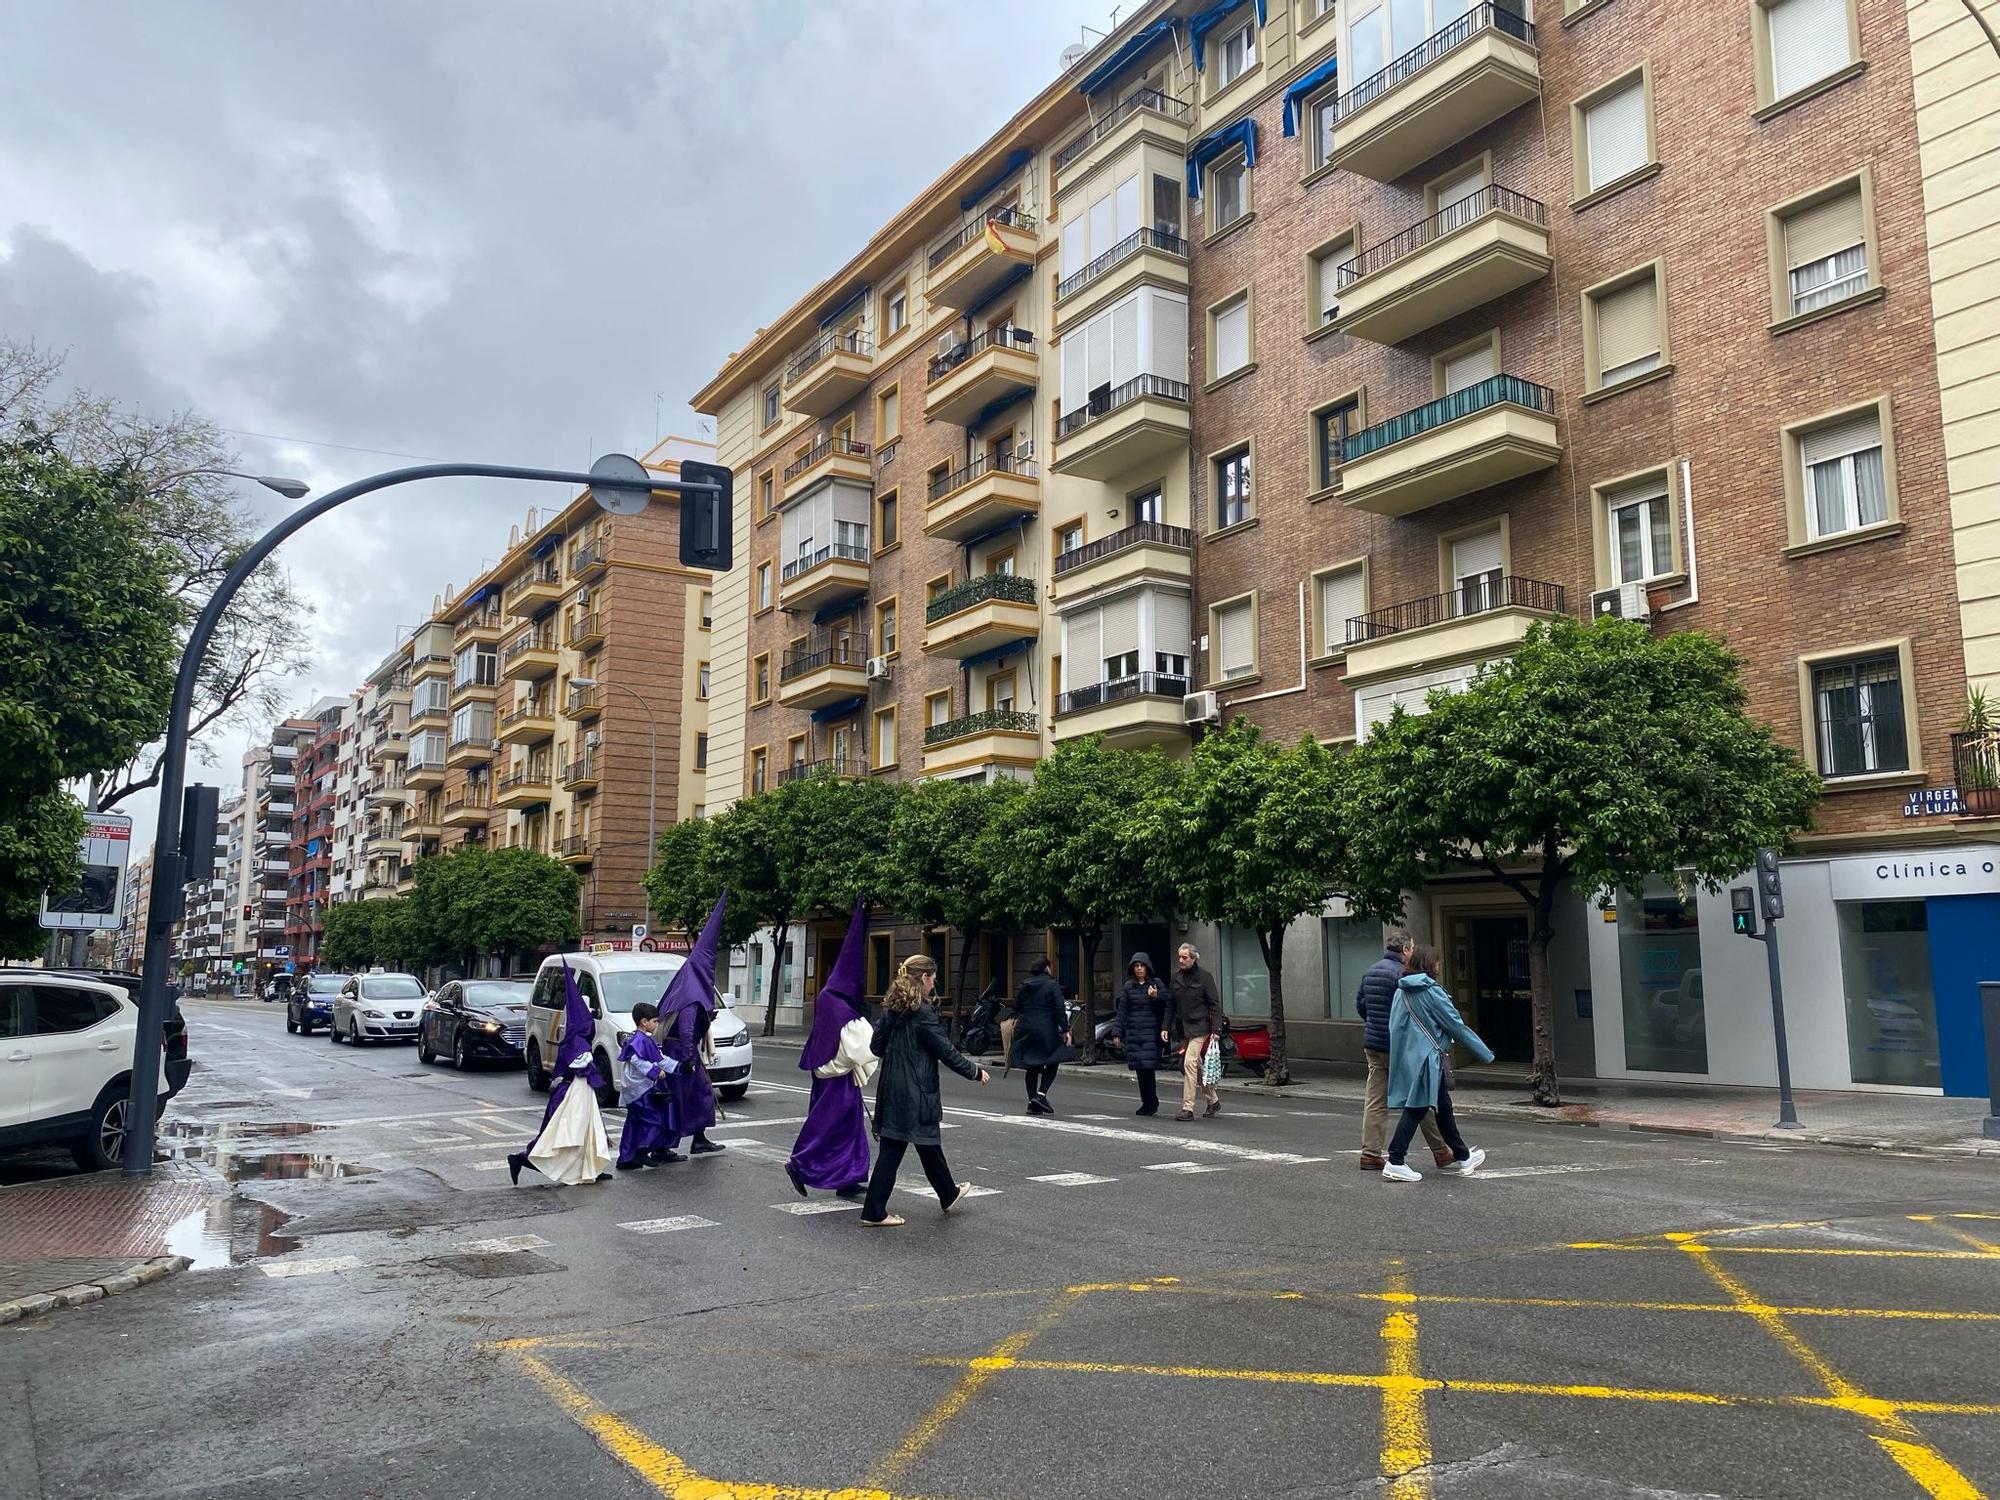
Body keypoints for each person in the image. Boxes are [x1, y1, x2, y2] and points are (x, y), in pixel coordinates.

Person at [860, 955, 989, 1227]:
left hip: (893, 1087)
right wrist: (974, 1071)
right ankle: (874, 1211)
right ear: (924, 978)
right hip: (916, 1090)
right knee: (897, 1149)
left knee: (924, 1144)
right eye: (933, 977)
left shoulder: (892, 1009)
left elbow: (875, 1048)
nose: (934, 983)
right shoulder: (923, 1013)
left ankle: (948, 1193)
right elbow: (945, 1050)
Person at [787, 900, 876, 1200]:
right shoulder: (840, 1006)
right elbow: (861, 1046)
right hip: (837, 1078)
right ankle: (800, 1164)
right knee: (828, 1126)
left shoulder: (828, 998)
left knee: (847, 1130)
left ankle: (847, 1179)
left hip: (828, 1074)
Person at [1383, 944, 1493, 1182]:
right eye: (1437, 961)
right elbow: (1455, 1024)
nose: (1440, 965)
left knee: (1442, 1108)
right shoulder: (1431, 991)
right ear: (1429, 964)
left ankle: (1464, 1156)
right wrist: (1484, 1053)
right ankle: (1395, 1159)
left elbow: (1395, 1026)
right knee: (1417, 1108)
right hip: (1429, 1059)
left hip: (1412, 1056)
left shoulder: (1401, 990)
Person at [508, 959, 612, 1186]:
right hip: (572, 1092)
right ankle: (521, 1159)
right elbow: (583, 1068)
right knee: (561, 1136)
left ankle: (591, 1168)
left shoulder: (575, 1039)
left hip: (579, 1092)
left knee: (586, 1131)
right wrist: (596, 1076)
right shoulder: (576, 1041)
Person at [1354, 929, 1451, 1173]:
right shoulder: (1403, 975)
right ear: (1406, 949)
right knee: (1419, 1096)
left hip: (1372, 1043)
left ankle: (1370, 1153)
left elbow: (1361, 1005)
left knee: (1375, 1099)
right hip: (1398, 1046)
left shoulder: (1371, 970)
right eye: (1412, 948)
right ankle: (1441, 1151)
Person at [658, 890, 729, 1160]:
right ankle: (670, 1144)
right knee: (690, 1096)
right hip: (680, 1053)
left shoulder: (689, 988)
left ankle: (696, 1138)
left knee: (691, 1096)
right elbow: (687, 1029)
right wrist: (690, 1061)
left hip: (677, 1050)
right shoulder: (691, 995)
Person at [616, 1001, 680, 1171]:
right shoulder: (639, 1040)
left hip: (633, 1088)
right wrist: (655, 1072)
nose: (657, 1024)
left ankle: (626, 1158)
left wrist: (679, 1067)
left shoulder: (640, 1039)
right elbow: (640, 1061)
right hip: (639, 1089)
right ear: (644, 1021)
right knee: (654, 1120)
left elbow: (660, 1059)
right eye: (655, 1021)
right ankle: (642, 1150)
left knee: (633, 1123)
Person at [1007, 958, 1074, 1114]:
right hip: (1046, 1028)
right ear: (1046, 968)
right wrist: (1065, 1030)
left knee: (1032, 1064)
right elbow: (1059, 1008)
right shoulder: (1052, 985)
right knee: (1055, 1058)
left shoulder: (1025, 985)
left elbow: (1016, 1006)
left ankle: (1032, 1104)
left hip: (1025, 1028)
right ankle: (1041, 1094)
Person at [1112, 952, 1170, 1117]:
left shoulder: (1156, 984)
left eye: (1142, 966)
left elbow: (1167, 1004)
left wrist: (1155, 997)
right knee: (1139, 1069)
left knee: (1147, 1068)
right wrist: (1117, 1032)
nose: (1139, 969)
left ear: (1147, 967)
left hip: (1150, 1033)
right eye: (1136, 966)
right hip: (1134, 1033)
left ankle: (1151, 1101)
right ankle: (1146, 1101)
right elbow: (1122, 1011)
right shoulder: (1129, 987)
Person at [1169, 943, 1223, 1122]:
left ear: (1193, 959)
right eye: (1180, 957)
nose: (1181, 960)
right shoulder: (1176, 978)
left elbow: (1214, 1004)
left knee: (1189, 1063)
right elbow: (1170, 1005)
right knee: (1197, 1067)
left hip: (1201, 1026)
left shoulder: (1205, 977)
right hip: (1183, 1028)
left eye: (1185, 957)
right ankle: (1213, 1100)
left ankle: (1188, 1108)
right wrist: (1164, 1027)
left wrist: (1216, 1029)